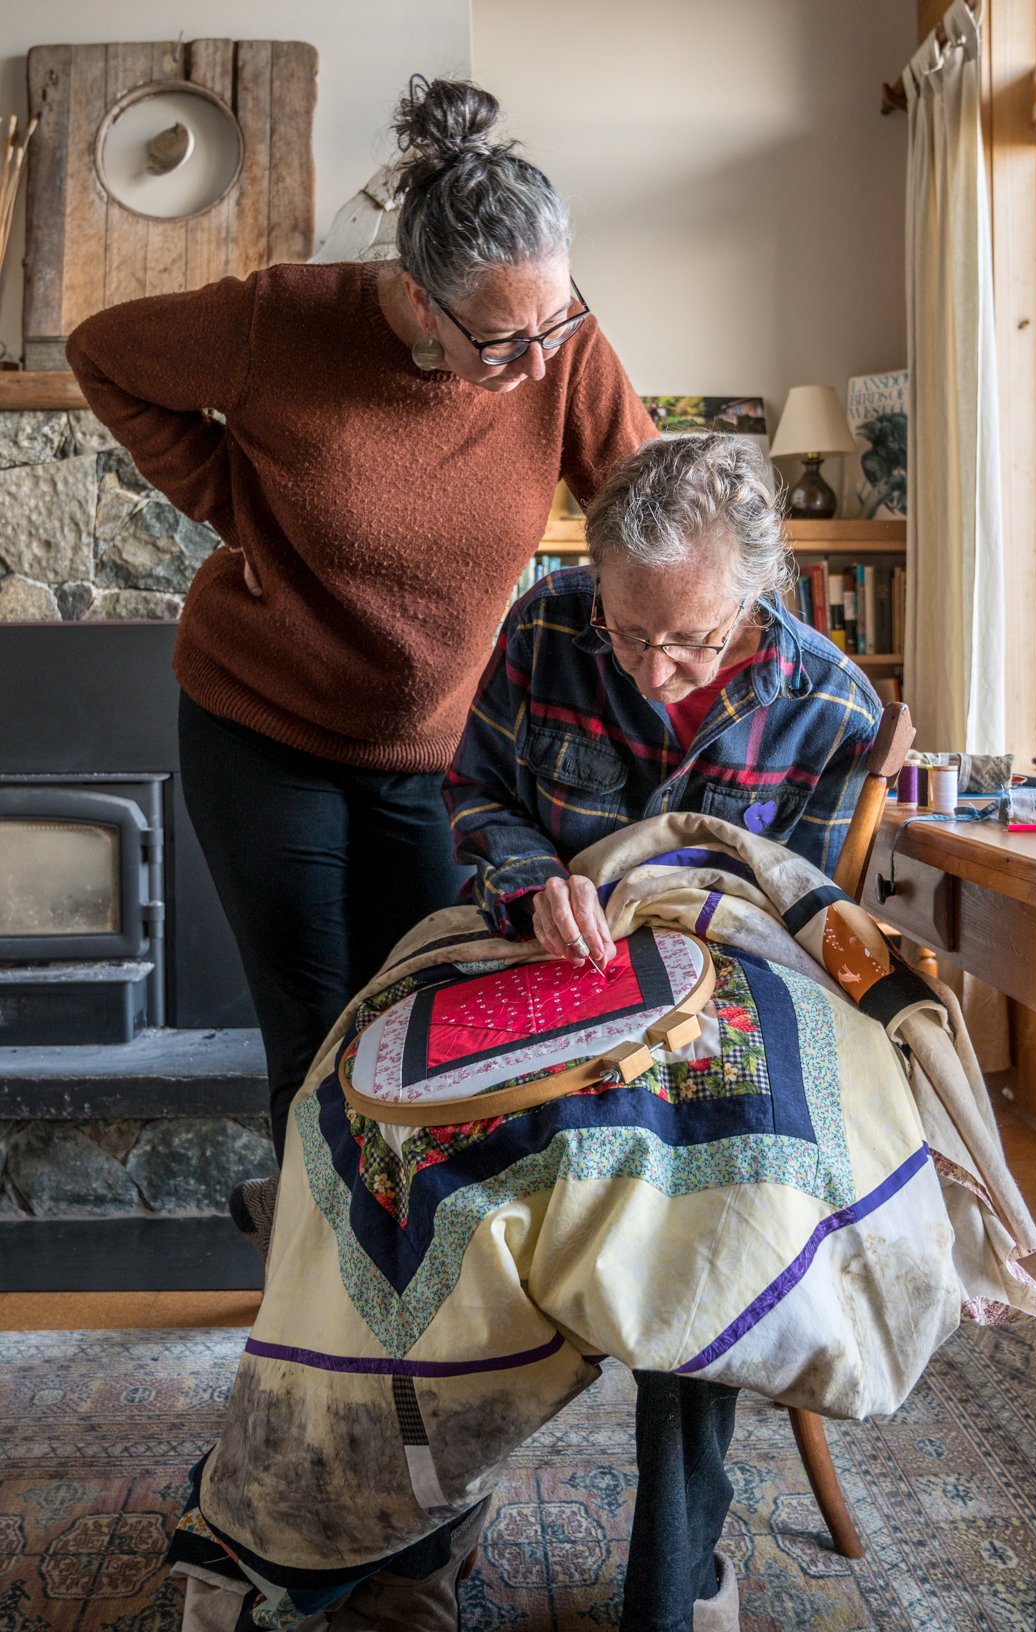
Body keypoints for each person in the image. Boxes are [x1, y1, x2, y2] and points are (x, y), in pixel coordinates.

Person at [66, 76, 654, 1234]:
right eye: (501, 340)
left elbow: (647, 511)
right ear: (418, 301)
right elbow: (101, 353)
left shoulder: (552, 339)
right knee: (318, 1033)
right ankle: (323, 1333)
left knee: (428, 1029)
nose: (538, 364)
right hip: (263, 730)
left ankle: (391, 1271)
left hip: (443, 758)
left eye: (557, 325)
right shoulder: (277, 322)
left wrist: (751, 642)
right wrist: (229, 494)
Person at [441, 431, 882, 1632]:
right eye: (627, 637)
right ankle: (419, 1522)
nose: (648, 668)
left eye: (683, 643)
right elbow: (468, 794)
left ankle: (676, 1585)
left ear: (753, 593)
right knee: (401, 1144)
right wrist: (529, 879)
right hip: (545, 975)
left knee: (702, 1200)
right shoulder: (547, 629)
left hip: (713, 1022)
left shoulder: (831, 707)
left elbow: (804, 929)